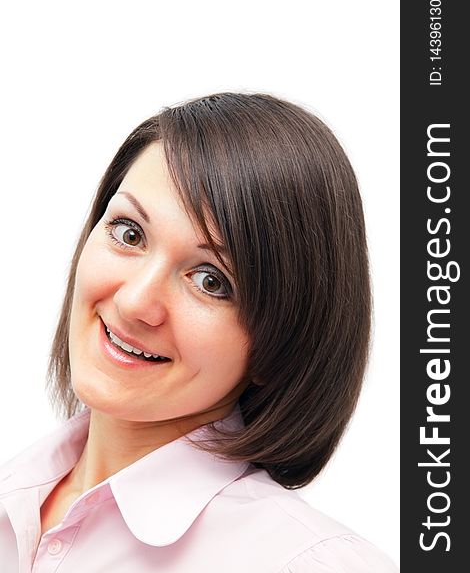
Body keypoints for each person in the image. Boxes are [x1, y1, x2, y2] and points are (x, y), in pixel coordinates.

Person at [0, 92, 398, 572]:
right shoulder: (14, 498)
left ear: (281, 347)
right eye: (130, 233)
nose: (134, 302)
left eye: (211, 281)